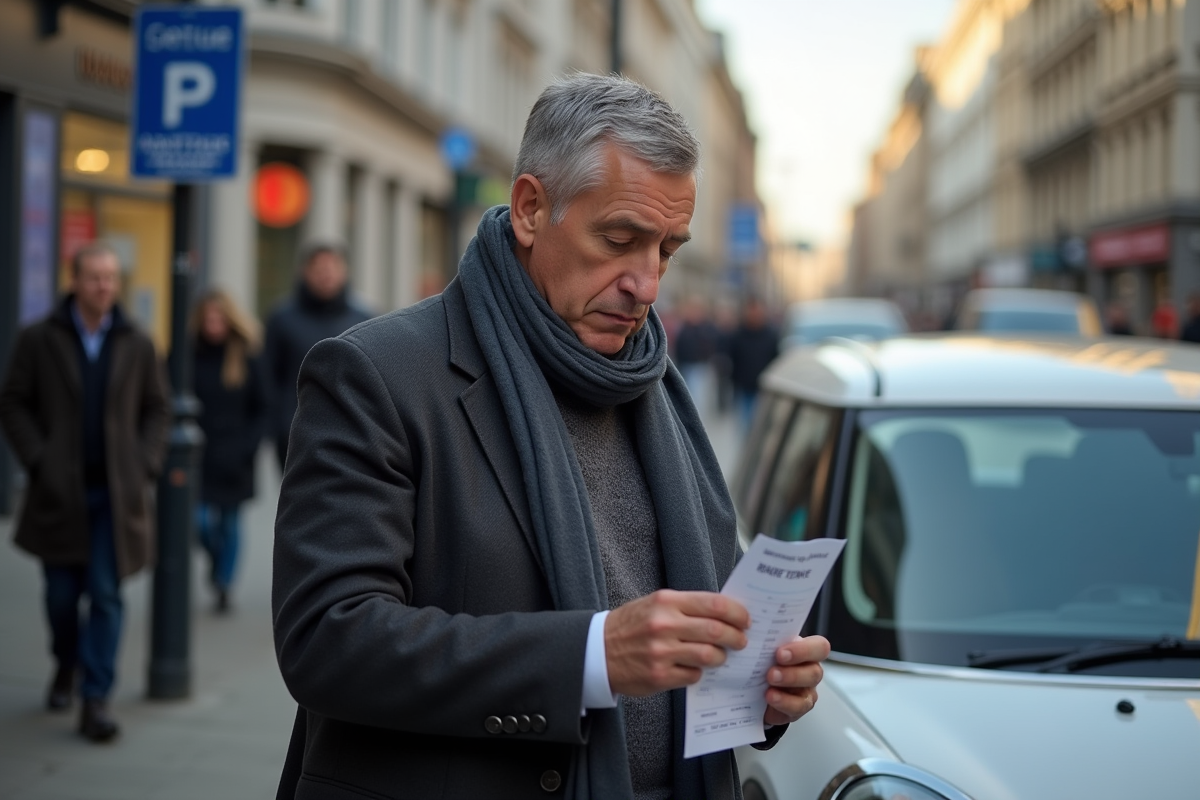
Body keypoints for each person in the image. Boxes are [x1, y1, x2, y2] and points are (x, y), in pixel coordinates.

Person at [271, 74, 828, 800]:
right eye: (620, 239)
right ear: (532, 208)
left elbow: (695, 631)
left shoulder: (658, 385)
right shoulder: (378, 374)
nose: (647, 283)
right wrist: (592, 656)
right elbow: (327, 639)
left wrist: (762, 688)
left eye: (667, 249)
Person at [0, 242, 170, 742]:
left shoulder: (136, 341)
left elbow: (157, 410)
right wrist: (38, 458)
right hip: (58, 494)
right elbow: (13, 402)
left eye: (112, 278)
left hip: (116, 500)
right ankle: (65, 663)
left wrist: (143, 465)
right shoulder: (39, 338)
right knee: (59, 595)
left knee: (106, 594)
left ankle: (96, 697)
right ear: (74, 280)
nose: (104, 287)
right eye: (95, 277)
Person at [191, 288, 268, 612]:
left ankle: (224, 582)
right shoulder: (187, 353)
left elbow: (264, 407)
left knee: (231, 521)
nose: (213, 324)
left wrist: (248, 447)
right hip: (199, 454)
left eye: (219, 317)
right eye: (208, 317)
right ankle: (216, 560)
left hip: (237, 454)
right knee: (202, 522)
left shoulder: (246, 356)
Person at [262, 243, 371, 470]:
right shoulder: (282, 319)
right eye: (319, 268)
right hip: (294, 432)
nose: (326, 274)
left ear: (345, 272)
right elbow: (268, 376)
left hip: (352, 430)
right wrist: (277, 426)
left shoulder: (365, 319)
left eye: (332, 267)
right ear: (305, 272)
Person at [728, 296, 780, 432]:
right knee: (745, 426)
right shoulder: (739, 334)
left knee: (761, 426)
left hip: (764, 388)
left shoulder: (771, 335)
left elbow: (776, 359)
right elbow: (733, 357)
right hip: (744, 387)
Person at [671, 296, 720, 416]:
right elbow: (679, 345)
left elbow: (711, 346)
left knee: (696, 395)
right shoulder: (684, 327)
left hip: (699, 366)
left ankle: (695, 416)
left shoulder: (706, 328)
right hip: (685, 365)